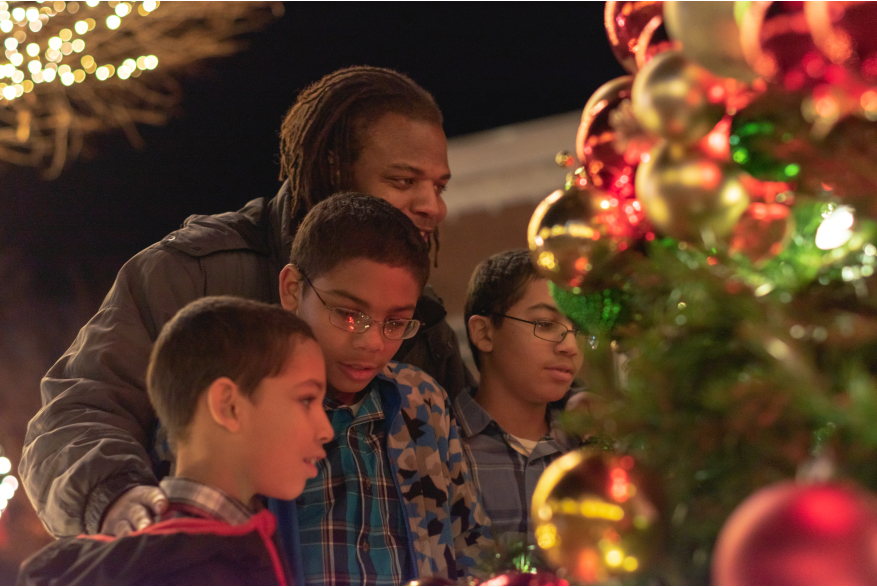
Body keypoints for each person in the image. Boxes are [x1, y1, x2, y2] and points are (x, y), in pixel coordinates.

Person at [20, 66, 475, 539]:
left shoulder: (425, 326)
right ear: (334, 168)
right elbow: (81, 410)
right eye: (404, 181)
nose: (433, 207)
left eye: (439, 187)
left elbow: (468, 474)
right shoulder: (193, 274)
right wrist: (117, 500)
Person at [18, 297, 333, 585]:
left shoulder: (219, 546)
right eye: (307, 399)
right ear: (229, 406)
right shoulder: (186, 569)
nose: (326, 430)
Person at [270, 193, 491, 585]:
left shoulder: (422, 400)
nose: (373, 343)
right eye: (349, 315)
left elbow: (470, 543)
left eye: (394, 322)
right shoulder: (255, 405)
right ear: (292, 290)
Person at [453, 249, 585, 547]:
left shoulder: (589, 445)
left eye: (580, 329)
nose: (571, 346)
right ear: (484, 333)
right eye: (545, 324)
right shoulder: (438, 445)